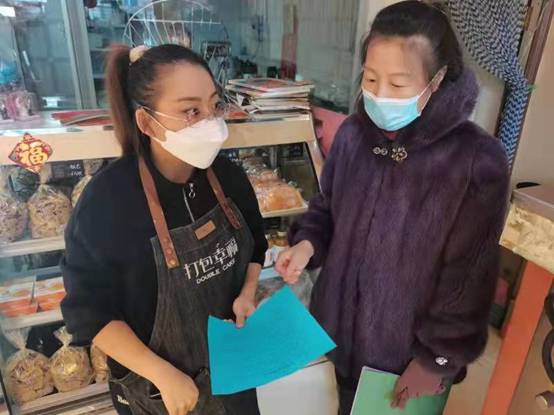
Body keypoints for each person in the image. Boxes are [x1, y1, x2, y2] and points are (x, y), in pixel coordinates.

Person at [275, 2, 510, 414]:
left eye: (398, 84)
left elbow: (469, 275)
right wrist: (307, 244)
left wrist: (436, 359)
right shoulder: (353, 136)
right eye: (371, 79)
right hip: (332, 334)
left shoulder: (475, 160)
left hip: (402, 357)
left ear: (437, 80)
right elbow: (326, 209)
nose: (380, 95)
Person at [61, 44, 267, 415]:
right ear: (147, 123)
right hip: (160, 393)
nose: (209, 121)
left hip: (234, 370)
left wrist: (248, 292)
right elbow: (88, 311)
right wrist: (162, 374)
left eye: (214, 105)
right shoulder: (108, 200)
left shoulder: (229, 178)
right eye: (191, 111)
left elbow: (256, 244)